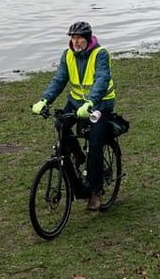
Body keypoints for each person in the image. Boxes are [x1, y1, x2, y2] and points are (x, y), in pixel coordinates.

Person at [31, 19, 118, 211]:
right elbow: (59, 80)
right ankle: (78, 156)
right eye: (73, 38)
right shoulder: (68, 55)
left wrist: (91, 103)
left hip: (100, 104)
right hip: (76, 102)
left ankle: (95, 192)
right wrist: (44, 100)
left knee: (95, 142)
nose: (75, 42)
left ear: (88, 39)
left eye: (79, 38)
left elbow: (102, 80)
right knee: (61, 125)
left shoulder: (100, 54)